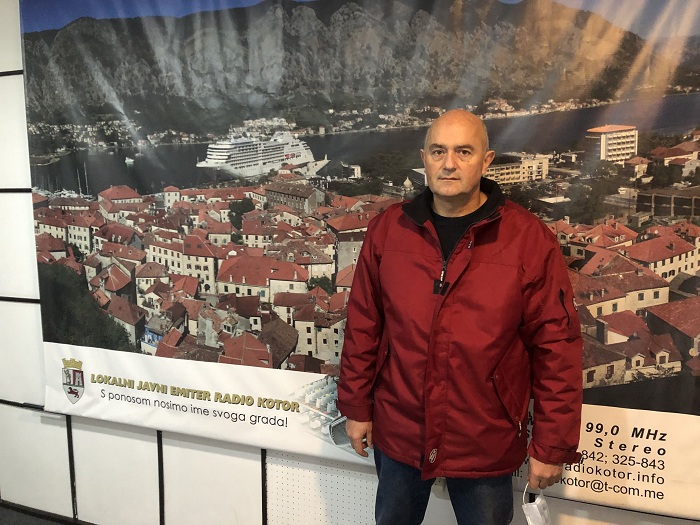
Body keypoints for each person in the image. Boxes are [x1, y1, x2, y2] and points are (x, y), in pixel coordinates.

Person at [336, 109, 582, 525]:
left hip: (484, 434)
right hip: (400, 426)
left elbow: (557, 347)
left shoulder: (528, 240)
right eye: (438, 151)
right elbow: (363, 325)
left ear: (486, 161)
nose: (449, 163)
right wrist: (357, 407)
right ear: (424, 159)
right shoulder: (388, 230)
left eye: (463, 152)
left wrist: (552, 445)